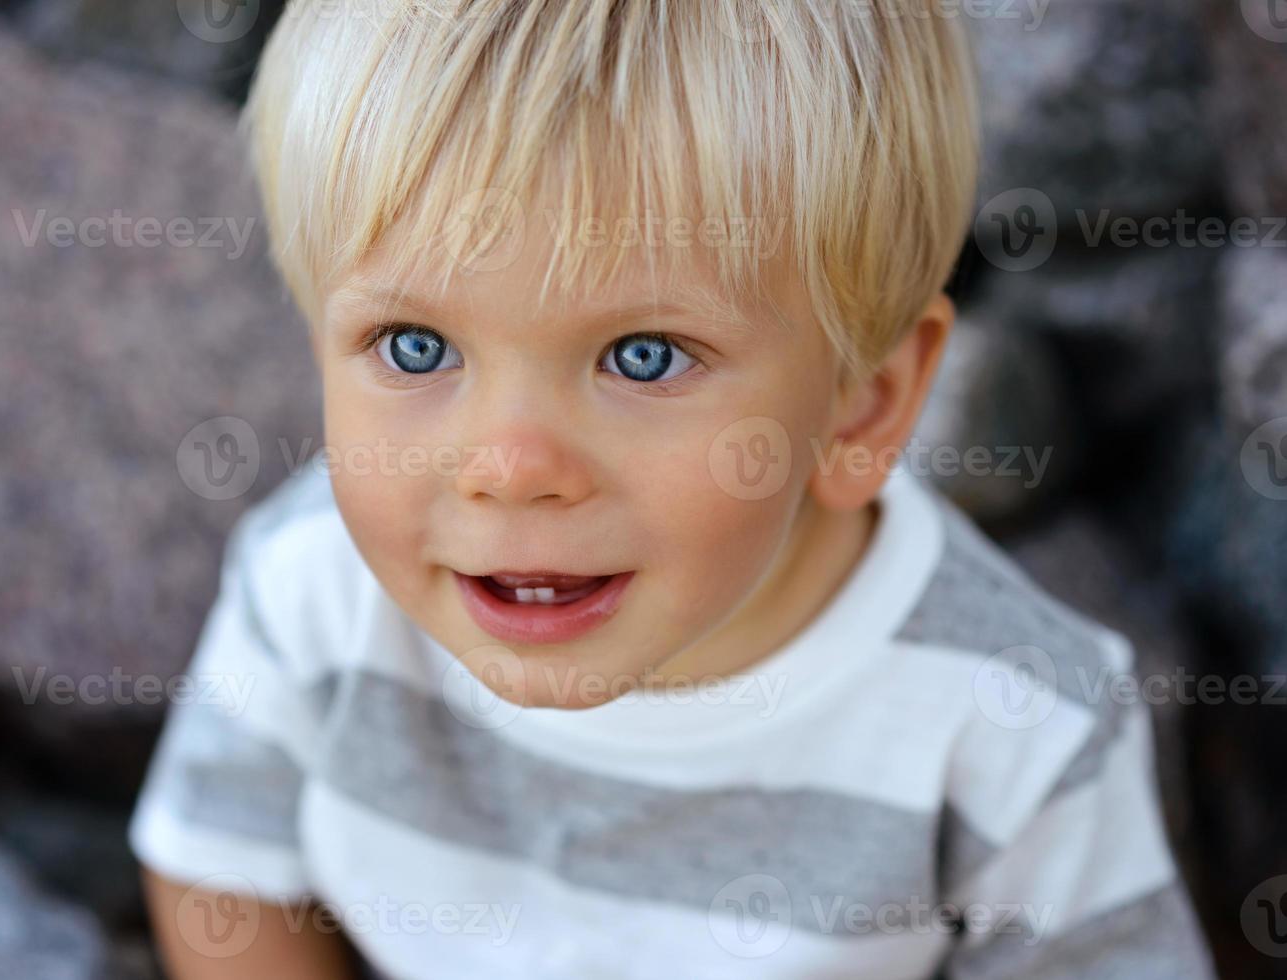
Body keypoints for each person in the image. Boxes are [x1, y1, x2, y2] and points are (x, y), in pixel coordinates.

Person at [129, 1, 1217, 977]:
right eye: (414, 346)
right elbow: (220, 863)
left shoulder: (1010, 722)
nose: (507, 466)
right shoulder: (312, 582)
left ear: (863, 406)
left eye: (642, 356)